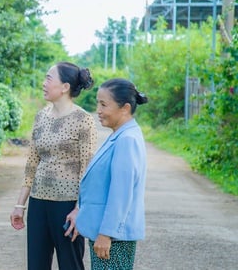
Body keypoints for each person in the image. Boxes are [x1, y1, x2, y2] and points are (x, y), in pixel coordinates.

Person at [10, 61, 97, 270]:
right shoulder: (41, 116)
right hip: (38, 202)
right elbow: (32, 163)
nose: (44, 83)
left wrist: (79, 209)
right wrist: (20, 204)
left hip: (68, 206)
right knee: (36, 265)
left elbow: (88, 170)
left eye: (49, 78)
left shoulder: (83, 120)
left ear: (65, 86)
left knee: (70, 265)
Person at [68, 78, 148, 270]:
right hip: (106, 235)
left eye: (104, 104)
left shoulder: (126, 139)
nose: (99, 110)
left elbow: (121, 193)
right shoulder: (119, 135)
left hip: (113, 238)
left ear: (125, 108)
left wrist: (106, 233)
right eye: (98, 103)